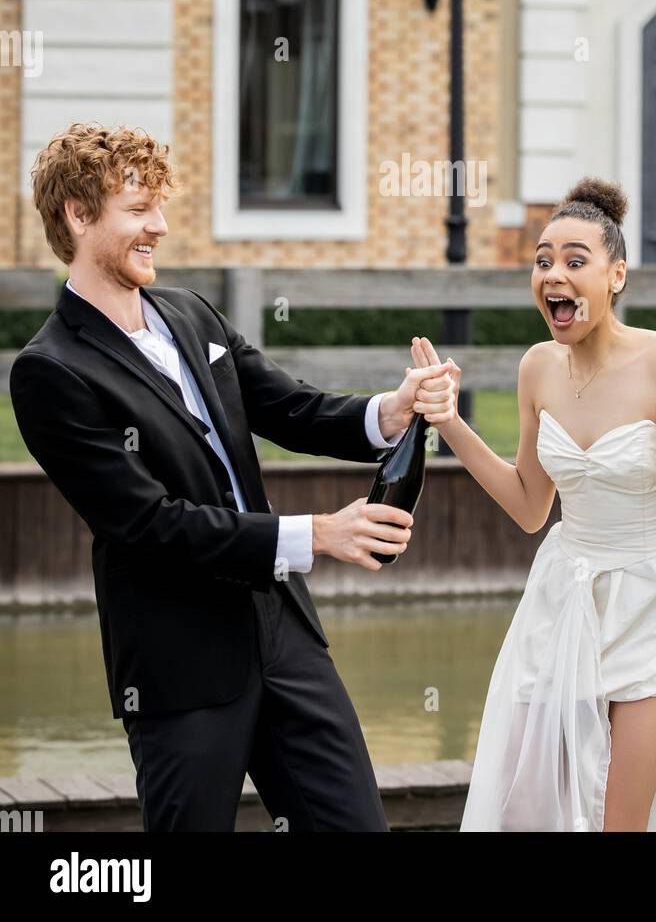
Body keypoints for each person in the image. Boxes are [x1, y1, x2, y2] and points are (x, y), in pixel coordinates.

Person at [9, 122, 458, 832]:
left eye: (159, 205)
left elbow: (290, 407)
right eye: (137, 209)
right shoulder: (50, 371)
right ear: (77, 214)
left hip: (286, 639)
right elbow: (149, 524)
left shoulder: (190, 313)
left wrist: (391, 411)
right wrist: (319, 535)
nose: (158, 224)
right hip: (180, 667)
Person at [410, 175, 656, 832]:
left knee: (620, 822)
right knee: (529, 807)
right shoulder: (537, 367)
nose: (553, 274)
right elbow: (529, 505)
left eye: (575, 260)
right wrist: (449, 423)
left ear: (616, 274)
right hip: (563, 600)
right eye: (543, 260)